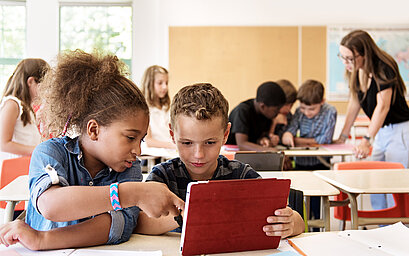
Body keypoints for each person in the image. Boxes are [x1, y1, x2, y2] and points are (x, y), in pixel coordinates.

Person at [0, 50, 184, 250]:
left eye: (141, 140)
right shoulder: (50, 153)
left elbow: (117, 227)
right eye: (131, 138)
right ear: (94, 130)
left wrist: (43, 240)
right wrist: (132, 193)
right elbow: (52, 205)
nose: (137, 150)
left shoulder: (129, 169)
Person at [135, 83, 305, 238]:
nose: (198, 154)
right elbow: (139, 223)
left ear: (225, 134)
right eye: (187, 143)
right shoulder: (161, 177)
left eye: (210, 142)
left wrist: (290, 223)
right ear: (172, 135)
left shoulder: (241, 175)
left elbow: (297, 220)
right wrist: (187, 215)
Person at [334, 30, 409, 210]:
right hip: (382, 130)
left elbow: (383, 106)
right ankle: (381, 225)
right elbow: (355, 102)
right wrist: (343, 135)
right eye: (342, 57)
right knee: (374, 179)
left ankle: (399, 228)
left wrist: (367, 140)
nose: (345, 63)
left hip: (400, 130)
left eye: (349, 59)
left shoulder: (384, 66)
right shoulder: (357, 71)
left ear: (364, 54)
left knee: (394, 183)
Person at [0, 59, 49, 162]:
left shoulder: (27, 108)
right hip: (13, 167)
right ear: (31, 81)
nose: (45, 91)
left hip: (26, 164)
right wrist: (38, 149)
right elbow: (3, 144)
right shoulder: (12, 104)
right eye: (44, 86)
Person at [282, 79, 337, 170]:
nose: (307, 113)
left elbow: (325, 140)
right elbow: (289, 133)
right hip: (300, 161)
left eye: (312, 109)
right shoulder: (299, 111)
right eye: (303, 108)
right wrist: (288, 135)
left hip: (321, 163)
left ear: (322, 101)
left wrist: (296, 140)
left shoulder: (330, 112)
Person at [226, 81, 286, 151]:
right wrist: (268, 150)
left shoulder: (266, 115)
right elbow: (242, 144)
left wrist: (264, 140)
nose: (279, 112)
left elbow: (258, 138)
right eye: (277, 109)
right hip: (232, 154)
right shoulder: (242, 111)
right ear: (263, 106)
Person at [141, 65, 175, 149]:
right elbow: (148, 141)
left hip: (170, 152)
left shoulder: (166, 108)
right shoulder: (144, 109)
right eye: (160, 83)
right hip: (156, 156)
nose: (165, 87)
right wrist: (173, 146)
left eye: (166, 83)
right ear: (149, 84)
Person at [259, 79, 297, 147]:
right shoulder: (266, 114)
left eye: (291, 105)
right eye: (286, 104)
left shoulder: (289, 116)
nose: (288, 109)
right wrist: (274, 123)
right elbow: (263, 139)